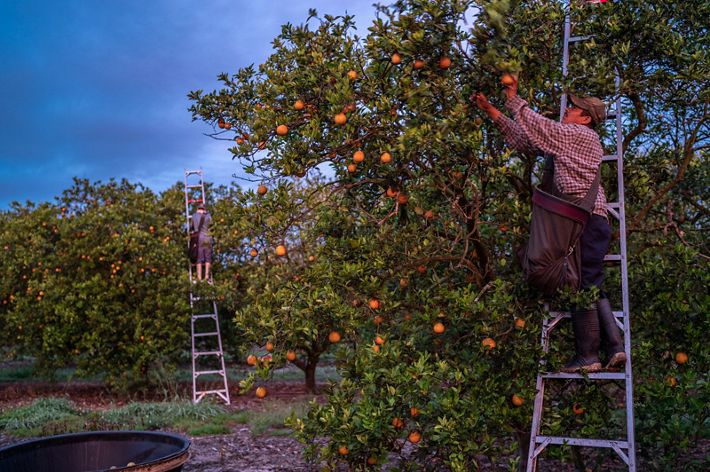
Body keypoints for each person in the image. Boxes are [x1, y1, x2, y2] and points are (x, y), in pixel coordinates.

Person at [474, 75, 625, 372]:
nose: (566, 110)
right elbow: (527, 141)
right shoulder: (566, 141)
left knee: (580, 284)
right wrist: (492, 111)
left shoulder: (579, 136)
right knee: (590, 281)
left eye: (572, 108)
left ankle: (589, 356)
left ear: (585, 117)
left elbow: (540, 128)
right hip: (583, 221)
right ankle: (615, 347)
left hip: (585, 222)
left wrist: (514, 97)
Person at [191, 203, 213, 282]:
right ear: (204, 209)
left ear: (198, 209)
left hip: (198, 238)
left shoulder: (194, 216)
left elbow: (192, 226)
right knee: (208, 258)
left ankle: (199, 278)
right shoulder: (208, 215)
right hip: (207, 237)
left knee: (198, 259)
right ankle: (207, 276)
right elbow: (211, 225)